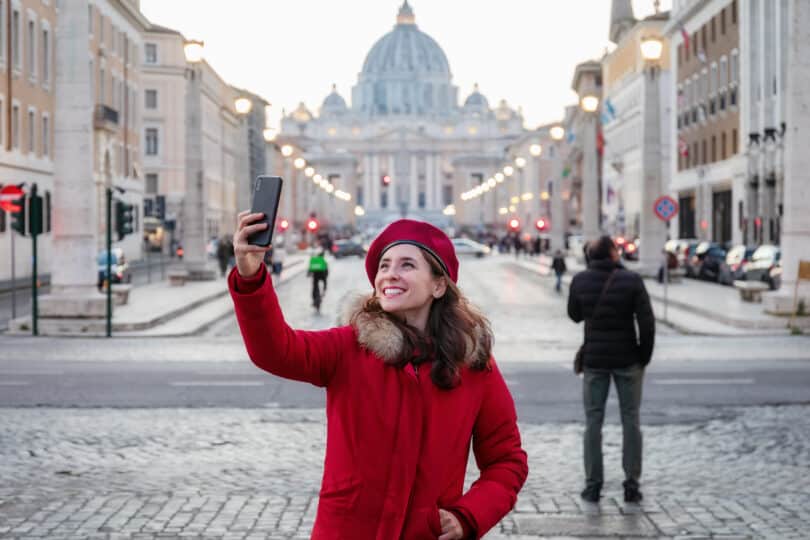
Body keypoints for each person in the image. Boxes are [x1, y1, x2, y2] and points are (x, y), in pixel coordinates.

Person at [229, 214, 528, 539]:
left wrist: (468, 516)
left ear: (439, 285)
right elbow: (275, 350)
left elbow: (507, 460)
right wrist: (250, 275)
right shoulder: (348, 347)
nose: (390, 275)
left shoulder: (473, 365)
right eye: (384, 266)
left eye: (406, 265)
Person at [567, 235, 655, 504]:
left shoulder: (580, 280)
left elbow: (574, 315)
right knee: (631, 420)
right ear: (614, 254)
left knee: (593, 421)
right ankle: (631, 483)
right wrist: (643, 356)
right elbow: (647, 322)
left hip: (595, 360)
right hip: (628, 359)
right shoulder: (632, 281)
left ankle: (593, 485)